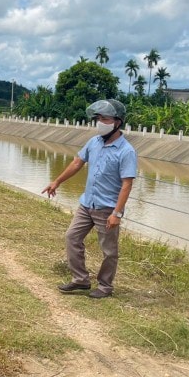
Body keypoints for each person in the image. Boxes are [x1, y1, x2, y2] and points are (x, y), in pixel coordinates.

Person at [41, 99, 137, 299]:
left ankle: (105, 287)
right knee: (72, 237)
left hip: (107, 209)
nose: (100, 122)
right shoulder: (94, 142)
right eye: (98, 118)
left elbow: (127, 184)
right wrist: (56, 182)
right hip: (87, 204)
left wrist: (117, 213)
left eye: (105, 118)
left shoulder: (126, 151)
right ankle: (81, 279)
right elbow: (77, 163)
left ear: (117, 122)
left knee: (109, 251)